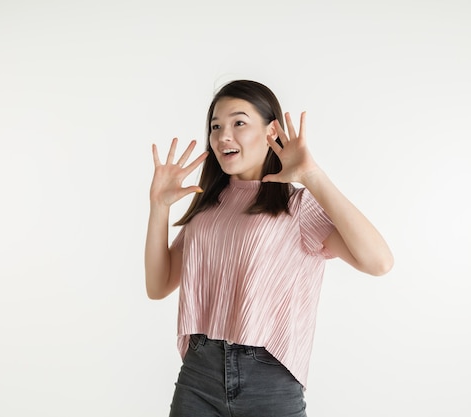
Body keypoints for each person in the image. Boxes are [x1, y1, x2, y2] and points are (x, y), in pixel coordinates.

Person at [145, 79, 393, 417]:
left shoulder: (297, 205)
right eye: (215, 126)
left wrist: (311, 175)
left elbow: (378, 262)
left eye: (239, 122)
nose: (223, 136)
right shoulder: (207, 209)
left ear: (270, 130)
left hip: (268, 378)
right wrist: (159, 207)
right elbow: (158, 286)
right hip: (198, 375)